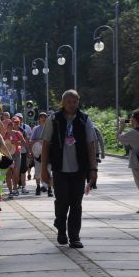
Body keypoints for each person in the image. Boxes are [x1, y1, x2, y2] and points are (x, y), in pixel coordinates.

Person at [41, 90, 98, 249]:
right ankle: (60, 226)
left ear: (78, 102)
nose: (72, 105)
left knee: (76, 203)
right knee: (62, 201)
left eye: (75, 102)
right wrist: (44, 169)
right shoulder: (55, 119)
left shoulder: (84, 120)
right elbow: (45, 143)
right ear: (63, 103)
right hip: (60, 169)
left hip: (79, 169)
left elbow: (91, 144)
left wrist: (93, 169)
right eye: (69, 102)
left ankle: (74, 236)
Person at [31, 112, 53, 197]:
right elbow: (31, 141)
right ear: (39, 119)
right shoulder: (36, 129)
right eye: (41, 117)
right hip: (38, 154)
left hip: (48, 154)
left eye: (45, 117)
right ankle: (38, 187)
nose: (43, 118)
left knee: (49, 171)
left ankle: (49, 189)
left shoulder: (51, 128)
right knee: (38, 172)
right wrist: (39, 142)